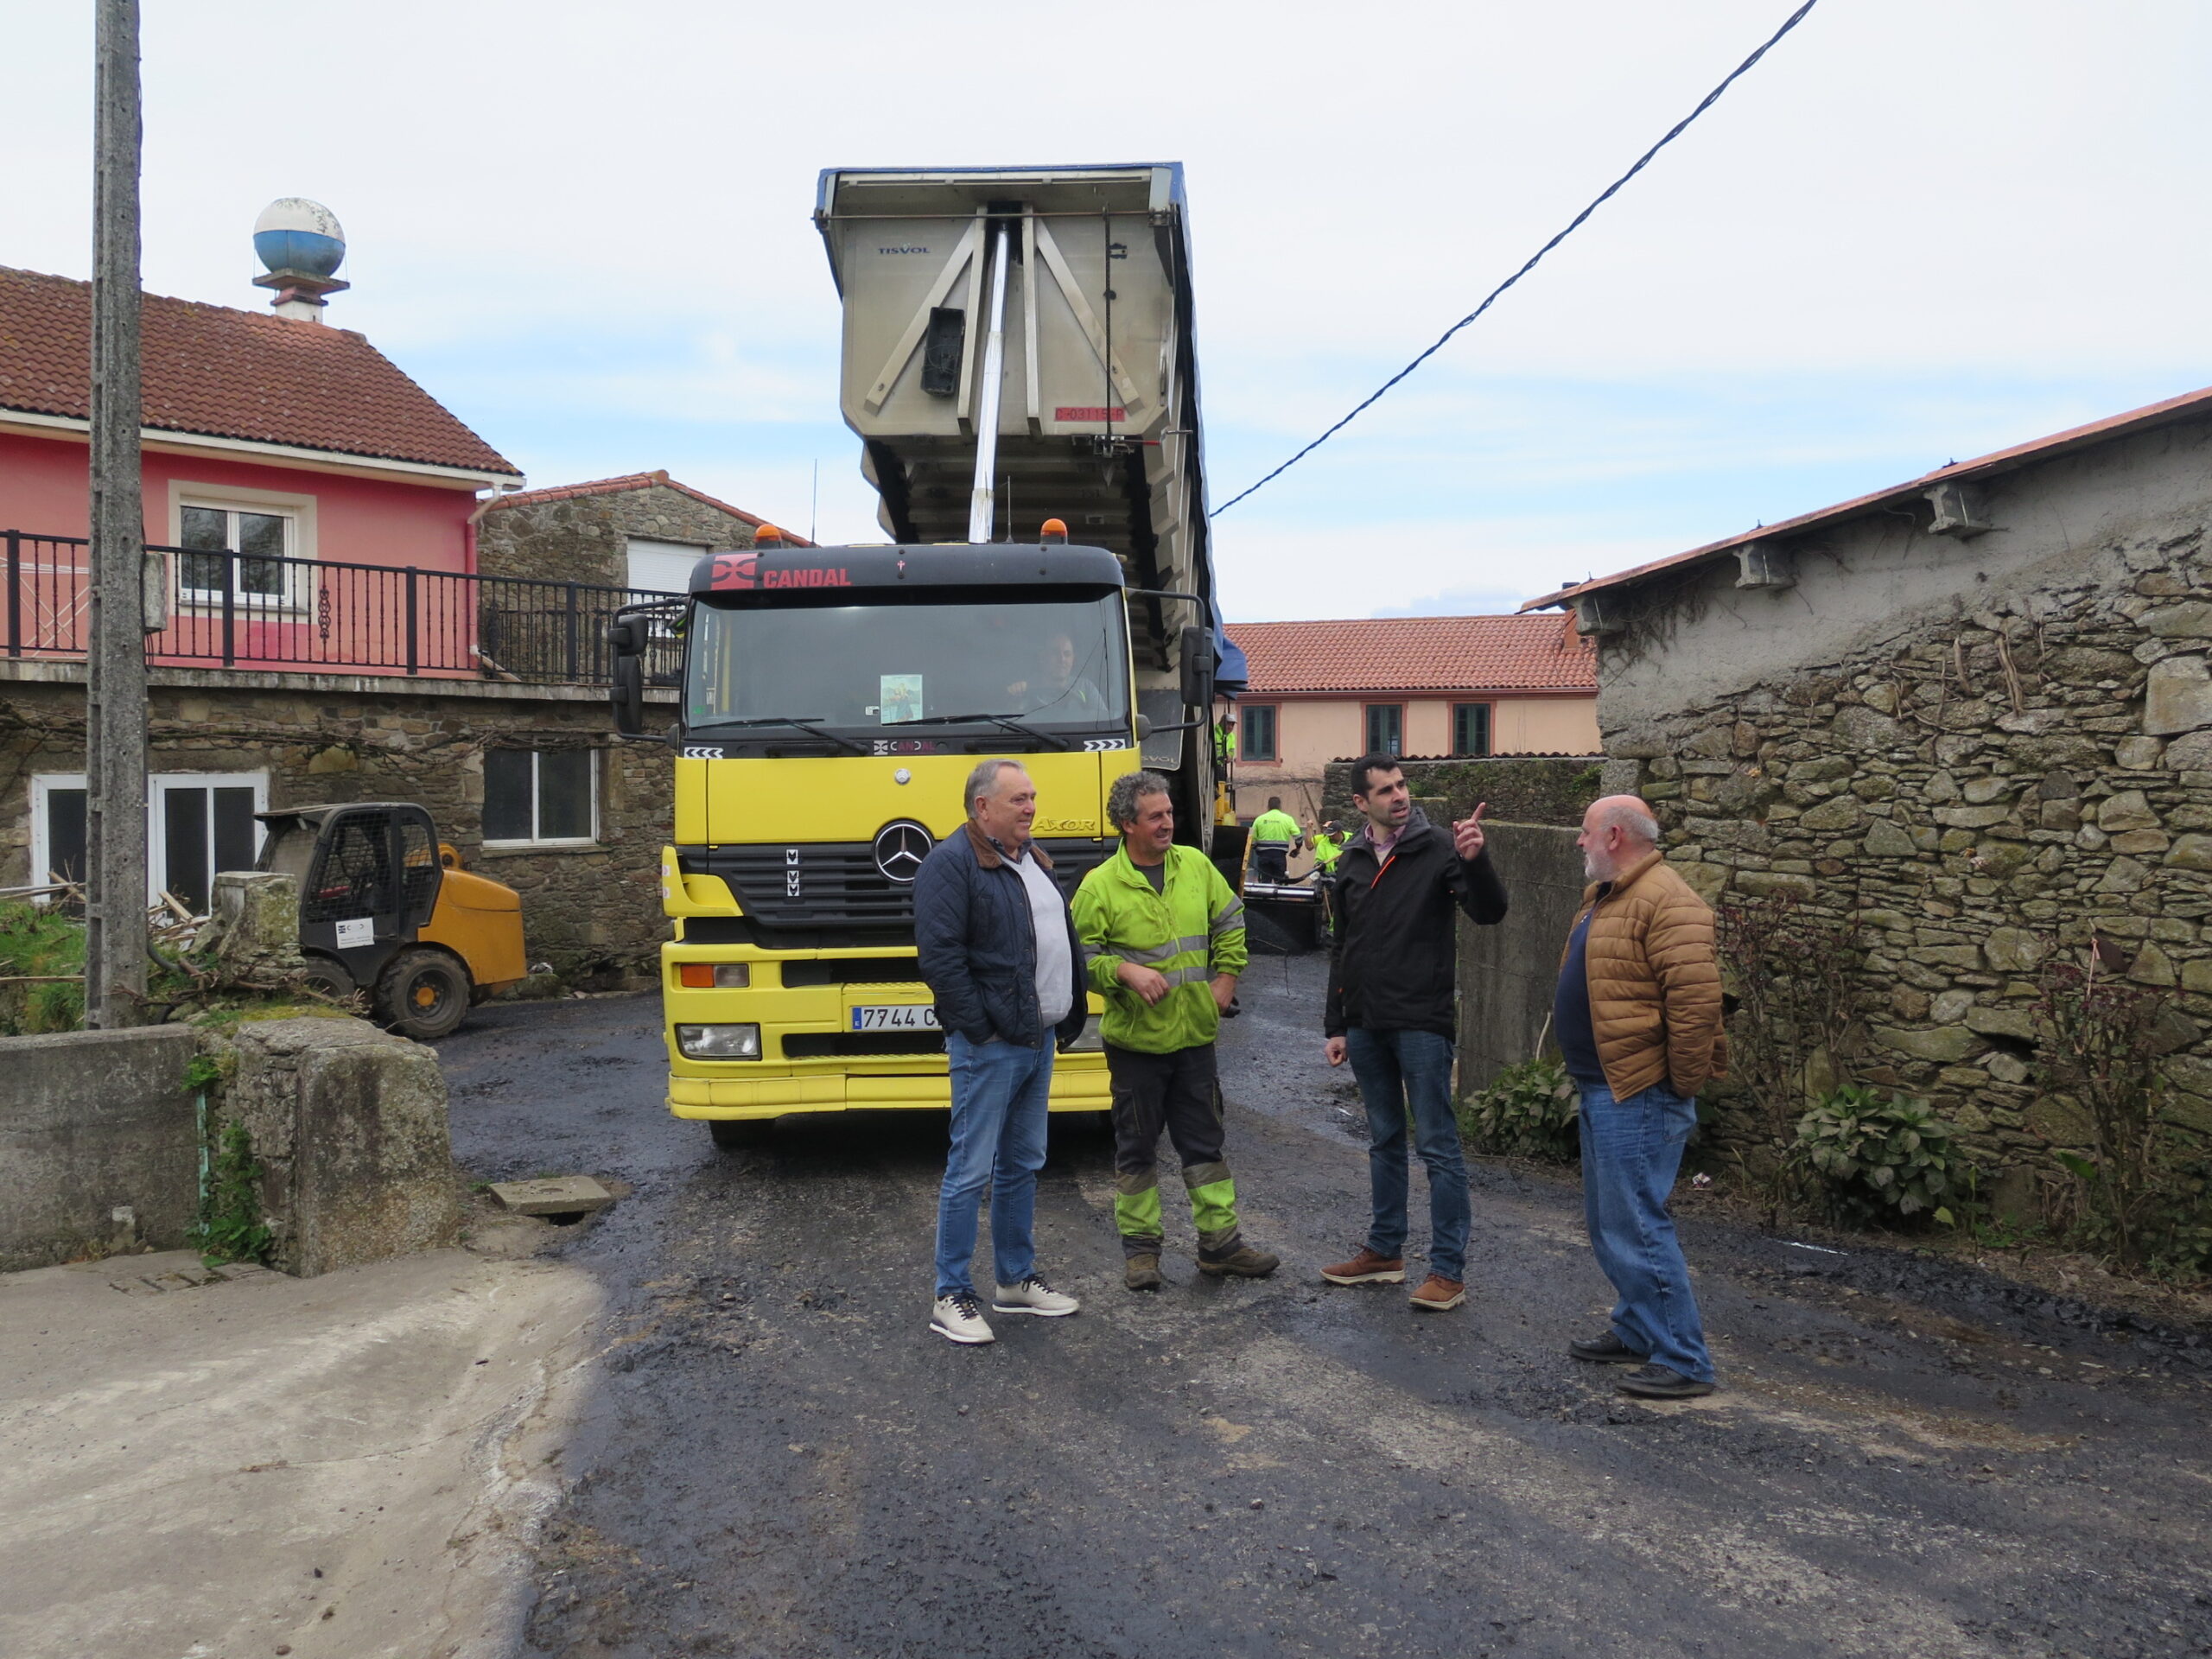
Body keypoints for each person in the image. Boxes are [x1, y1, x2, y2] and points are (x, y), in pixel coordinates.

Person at [1073, 770, 1280, 1290]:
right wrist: (1124, 971)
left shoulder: (1195, 866)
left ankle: (1220, 1246)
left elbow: (1230, 920)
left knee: (1205, 1146)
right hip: (1137, 1046)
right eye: (1155, 816)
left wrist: (1226, 979)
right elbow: (1080, 958)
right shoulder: (1099, 886)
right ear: (1127, 824)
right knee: (1136, 1151)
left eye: (1168, 813)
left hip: (1194, 1039)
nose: (1167, 823)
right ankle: (1141, 1253)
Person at [1320, 756, 1508, 1311]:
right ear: (1361, 803)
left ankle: (1447, 1270)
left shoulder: (1440, 847)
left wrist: (1477, 861)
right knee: (1383, 1139)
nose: (1399, 795)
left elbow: (1490, 912)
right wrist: (1337, 1024)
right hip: (1365, 1023)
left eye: (1401, 785)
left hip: (1422, 1021)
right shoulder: (1352, 858)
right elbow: (1342, 946)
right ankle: (1384, 1251)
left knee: (1438, 1146)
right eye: (1385, 790)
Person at [913, 758, 1089, 1344]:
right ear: (982, 806)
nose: (1031, 808)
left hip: (1038, 1038)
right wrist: (982, 1030)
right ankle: (951, 1295)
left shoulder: (1032, 858)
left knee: (1022, 1163)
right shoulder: (950, 863)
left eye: (1032, 797)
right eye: (1019, 799)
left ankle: (1014, 1281)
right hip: (990, 1045)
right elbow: (941, 959)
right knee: (970, 1170)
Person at [1555, 795, 1726, 1399]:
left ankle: (1684, 1358)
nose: (1580, 841)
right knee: (1611, 1224)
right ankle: (1637, 1329)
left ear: (1615, 835)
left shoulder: (1668, 901)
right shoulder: (1609, 896)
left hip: (1637, 1090)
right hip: (1605, 1086)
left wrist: (1677, 1083)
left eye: (1586, 832)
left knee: (1638, 1226)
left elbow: (1697, 1004)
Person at [1006, 630, 1112, 721]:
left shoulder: (1086, 687)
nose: (1062, 659)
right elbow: (1014, 723)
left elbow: (1104, 721)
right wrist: (1014, 697)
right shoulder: (1025, 689)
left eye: (1067, 654)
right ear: (1043, 657)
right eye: (1055, 653)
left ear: (1073, 659)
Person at [1248, 796, 1302, 886]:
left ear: (1268, 806)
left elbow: (1252, 840)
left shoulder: (1259, 819)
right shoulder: (1287, 819)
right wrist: (1297, 849)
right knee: (1280, 884)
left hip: (1264, 856)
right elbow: (1298, 837)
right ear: (1280, 806)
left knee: (1264, 885)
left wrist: (1257, 849)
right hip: (1280, 856)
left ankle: (1265, 894)